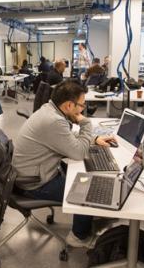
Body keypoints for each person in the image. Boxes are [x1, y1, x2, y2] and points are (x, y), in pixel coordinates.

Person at [12, 80, 115, 248]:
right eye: (81, 105)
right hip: (34, 183)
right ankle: (78, 236)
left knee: (87, 174)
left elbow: (67, 135)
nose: (82, 109)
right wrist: (86, 123)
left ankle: (88, 216)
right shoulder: (53, 120)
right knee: (87, 188)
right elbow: (78, 152)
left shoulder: (50, 109)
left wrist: (94, 139)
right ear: (68, 105)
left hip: (37, 171)